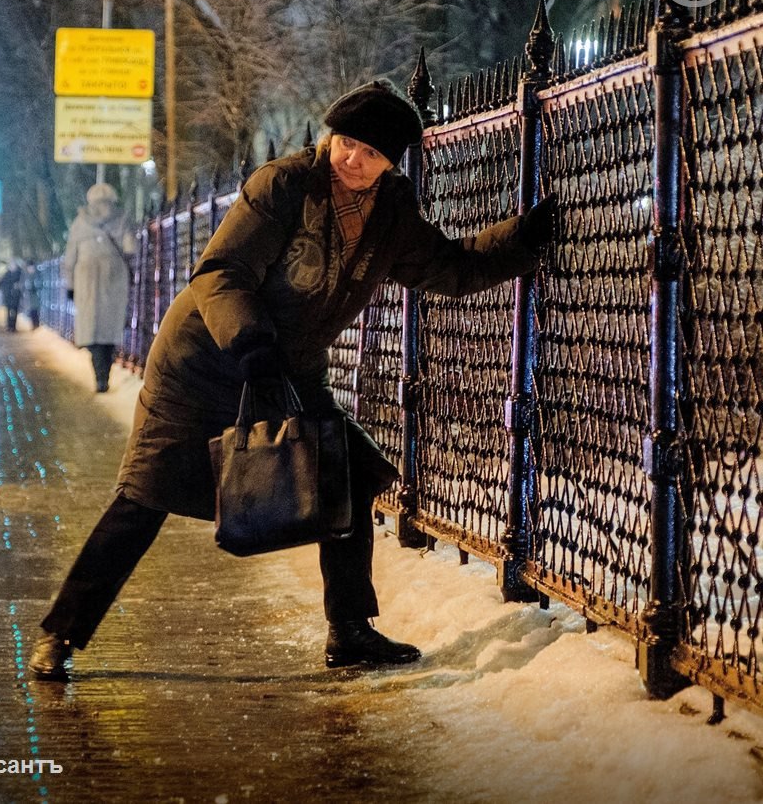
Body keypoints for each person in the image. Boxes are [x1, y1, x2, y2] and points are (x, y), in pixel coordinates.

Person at [29, 79, 557, 681]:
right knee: (145, 495)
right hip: (203, 363)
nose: (354, 160)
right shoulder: (284, 185)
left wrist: (522, 239)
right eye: (348, 143)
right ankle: (60, 634)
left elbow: (452, 268)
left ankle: (350, 630)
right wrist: (249, 342)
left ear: (390, 164)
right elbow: (222, 271)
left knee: (349, 477)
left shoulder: (391, 215)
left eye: (372, 153)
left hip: (288, 370)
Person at [63, 182, 134, 392]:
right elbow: (131, 248)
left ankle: (99, 375)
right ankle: (106, 374)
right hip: (114, 278)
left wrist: (70, 285)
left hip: (86, 281)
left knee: (91, 330)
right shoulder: (121, 219)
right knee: (110, 330)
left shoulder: (79, 223)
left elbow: (70, 258)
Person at [0, 261, 24, 332]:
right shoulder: (7, 274)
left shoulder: (20, 274)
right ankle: (9, 326)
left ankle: (13, 326)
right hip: (8, 297)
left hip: (15, 297)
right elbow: (1, 283)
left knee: (15, 311)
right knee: (8, 311)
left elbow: (22, 283)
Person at [23, 263, 42, 330]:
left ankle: (36, 326)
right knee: (32, 312)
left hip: (36, 297)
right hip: (30, 298)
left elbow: (37, 285)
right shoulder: (27, 276)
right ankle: (34, 326)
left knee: (35, 312)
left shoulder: (36, 276)